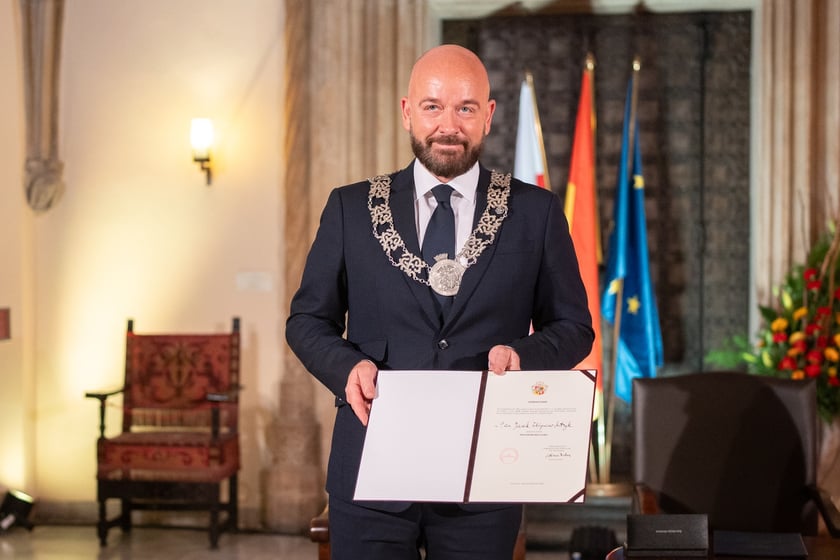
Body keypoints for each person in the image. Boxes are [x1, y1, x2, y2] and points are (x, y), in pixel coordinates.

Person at [286, 44, 593, 560]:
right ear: (408, 111)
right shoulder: (351, 209)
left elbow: (574, 326)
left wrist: (525, 356)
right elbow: (306, 321)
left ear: (489, 116)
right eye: (432, 106)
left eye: (465, 108)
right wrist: (348, 367)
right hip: (370, 473)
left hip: (486, 477)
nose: (448, 124)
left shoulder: (536, 212)